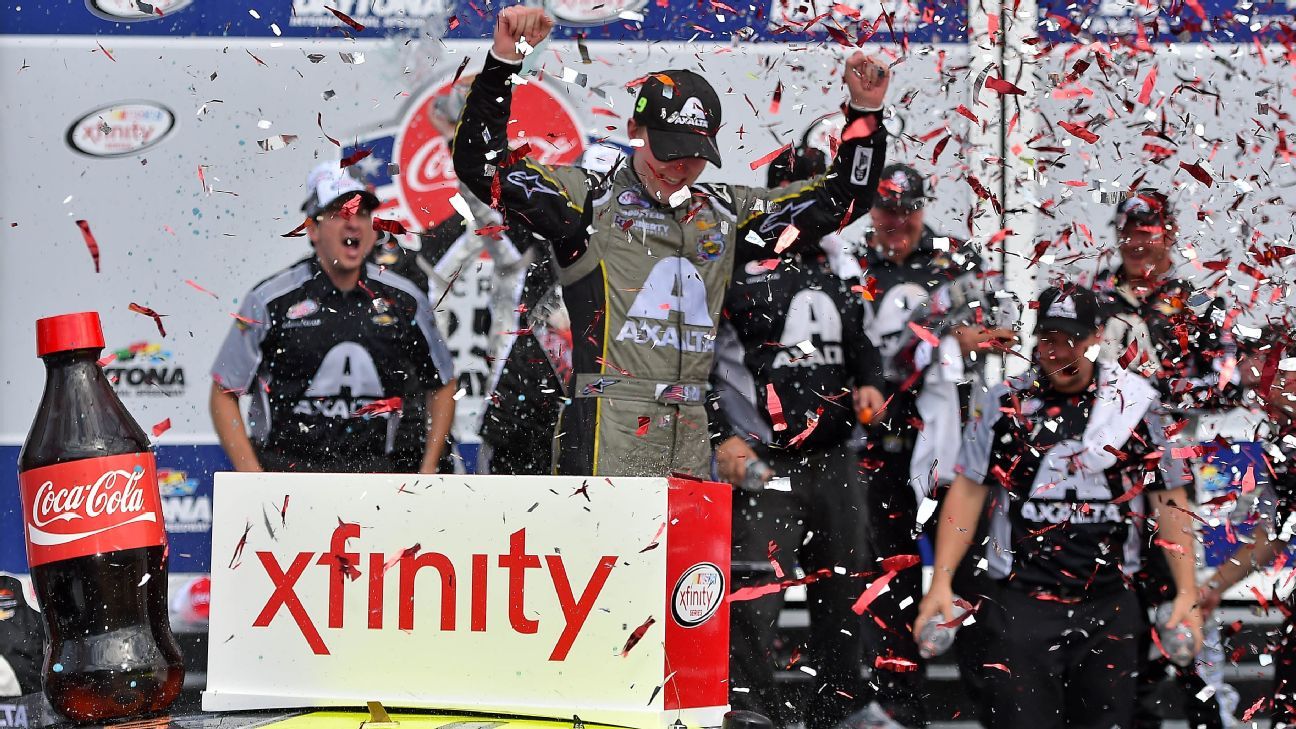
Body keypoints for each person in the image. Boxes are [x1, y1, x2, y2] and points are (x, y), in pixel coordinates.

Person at [452, 6, 893, 478]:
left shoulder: (725, 214)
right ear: (634, 132)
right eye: (668, 150)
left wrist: (865, 115)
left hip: (688, 434)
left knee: (687, 557)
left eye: (694, 154)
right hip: (605, 428)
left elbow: (840, 200)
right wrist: (503, 61)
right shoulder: (587, 201)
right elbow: (483, 168)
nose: (679, 166)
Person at [914, 285, 1203, 729]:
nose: (1058, 350)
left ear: (1095, 338)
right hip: (1021, 603)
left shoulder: (1135, 404)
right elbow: (968, 492)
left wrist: (1186, 591)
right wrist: (942, 583)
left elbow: (1169, 498)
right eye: (1049, 337)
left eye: (1072, 338)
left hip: (1108, 604)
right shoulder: (1005, 403)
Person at [709, 145, 884, 729]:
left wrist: (871, 386)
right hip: (763, 458)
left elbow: (864, 348)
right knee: (756, 589)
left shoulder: (835, 269)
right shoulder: (729, 265)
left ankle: (844, 706)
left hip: (833, 457)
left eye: (819, 194)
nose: (812, 209)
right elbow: (693, 362)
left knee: (847, 585)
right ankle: (750, 706)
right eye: (799, 194)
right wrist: (718, 435)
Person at [1094, 189, 1236, 728]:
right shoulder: (1096, 299)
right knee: (1117, 615)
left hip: (1171, 482)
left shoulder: (1196, 303)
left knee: (1186, 606)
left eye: (1148, 231)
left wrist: (1156, 389)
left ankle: (1213, 716)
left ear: (1169, 233)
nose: (1136, 241)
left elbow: (1227, 384)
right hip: (1107, 485)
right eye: (1128, 230)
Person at [210, 162, 456, 473]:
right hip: (287, 480)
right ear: (312, 229)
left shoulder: (406, 299)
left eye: (362, 214)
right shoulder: (268, 299)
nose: (353, 224)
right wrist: (253, 478)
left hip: (376, 481)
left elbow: (443, 383)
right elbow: (223, 392)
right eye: (341, 214)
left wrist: (427, 471)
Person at [853, 162, 982, 726]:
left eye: (907, 212)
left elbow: (996, 331)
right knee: (889, 571)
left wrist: (963, 338)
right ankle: (895, 700)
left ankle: (981, 693)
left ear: (923, 209)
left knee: (966, 568)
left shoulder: (958, 261)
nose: (896, 222)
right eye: (886, 210)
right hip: (878, 444)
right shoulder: (852, 264)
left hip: (945, 445)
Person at [1198, 330, 1296, 727]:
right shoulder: (1282, 448)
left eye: (1275, 371)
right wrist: (1211, 588)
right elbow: (1271, 537)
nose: (1262, 383)